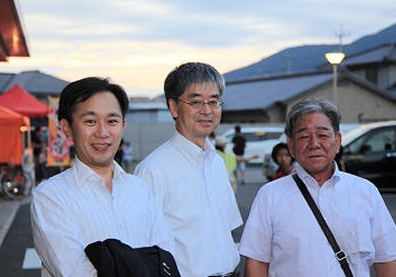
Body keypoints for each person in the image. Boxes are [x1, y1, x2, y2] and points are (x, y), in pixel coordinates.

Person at [31, 77, 175, 276]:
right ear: (67, 129)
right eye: (90, 121)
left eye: (112, 121)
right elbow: (75, 272)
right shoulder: (50, 196)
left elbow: (165, 258)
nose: (103, 132)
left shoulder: (139, 188)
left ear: (123, 126)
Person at [239, 97, 396, 277]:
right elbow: (256, 264)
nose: (314, 144)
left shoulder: (365, 192)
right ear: (291, 146)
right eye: (304, 136)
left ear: (337, 141)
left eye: (323, 135)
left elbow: (387, 260)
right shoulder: (270, 195)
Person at [135, 62, 242, 277]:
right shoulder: (153, 170)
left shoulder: (217, 162)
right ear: (173, 107)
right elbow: (142, 248)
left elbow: (226, 230)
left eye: (214, 101)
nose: (207, 110)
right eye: (196, 102)